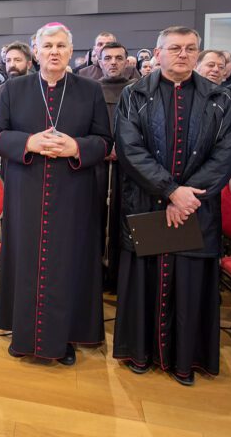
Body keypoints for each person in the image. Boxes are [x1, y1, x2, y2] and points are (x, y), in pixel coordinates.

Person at [113, 26, 231, 386]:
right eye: (175, 48)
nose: (182, 54)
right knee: (145, 281)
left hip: (195, 208)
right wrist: (170, 191)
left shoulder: (220, 98)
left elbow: (226, 154)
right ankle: (140, 353)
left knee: (189, 284)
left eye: (190, 48)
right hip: (149, 203)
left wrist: (186, 196)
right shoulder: (134, 94)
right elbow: (129, 149)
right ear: (159, 53)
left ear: (198, 53)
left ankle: (186, 360)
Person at [0, 23, 112, 365]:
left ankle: (64, 339)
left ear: (71, 52)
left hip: (72, 194)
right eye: (48, 46)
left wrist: (76, 147)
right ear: (36, 52)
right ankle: (23, 335)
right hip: (25, 192)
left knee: (66, 265)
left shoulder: (89, 90)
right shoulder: (14, 90)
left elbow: (105, 143)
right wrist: (27, 142)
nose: (54, 51)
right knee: (26, 262)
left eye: (61, 46)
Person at [95, 42, 136, 292]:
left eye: (118, 58)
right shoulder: (90, 89)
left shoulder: (137, 90)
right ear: (99, 61)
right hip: (96, 167)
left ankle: (120, 278)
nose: (113, 62)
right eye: (107, 58)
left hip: (127, 168)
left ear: (126, 62)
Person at [0, 41, 33, 170]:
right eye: (8, 60)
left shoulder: (41, 91)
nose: (12, 65)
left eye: (17, 60)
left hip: (34, 160)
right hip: (5, 162)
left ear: (29, 63)